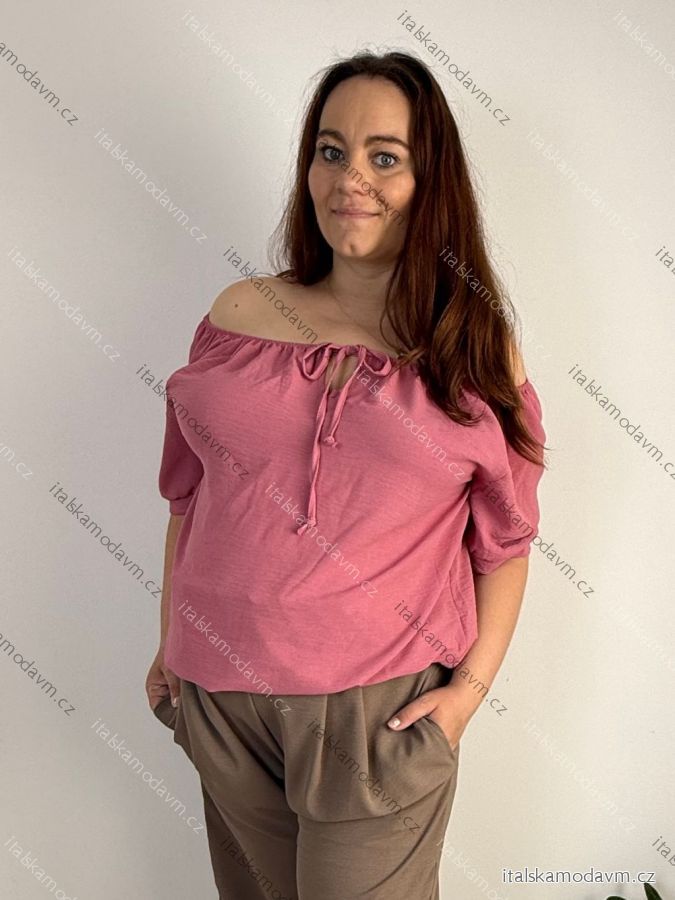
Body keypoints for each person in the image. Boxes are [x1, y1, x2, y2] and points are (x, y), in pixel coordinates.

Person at [146, 49, 546, 900]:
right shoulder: (239, 314)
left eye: (383, 157)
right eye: (330, 152)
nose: (349, 180)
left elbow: (504, 545)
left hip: (376, 715)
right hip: (218, 691)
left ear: (429, 178)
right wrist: (168, 638)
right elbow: (189, 495)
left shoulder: (469, 351)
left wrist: (465, 698)